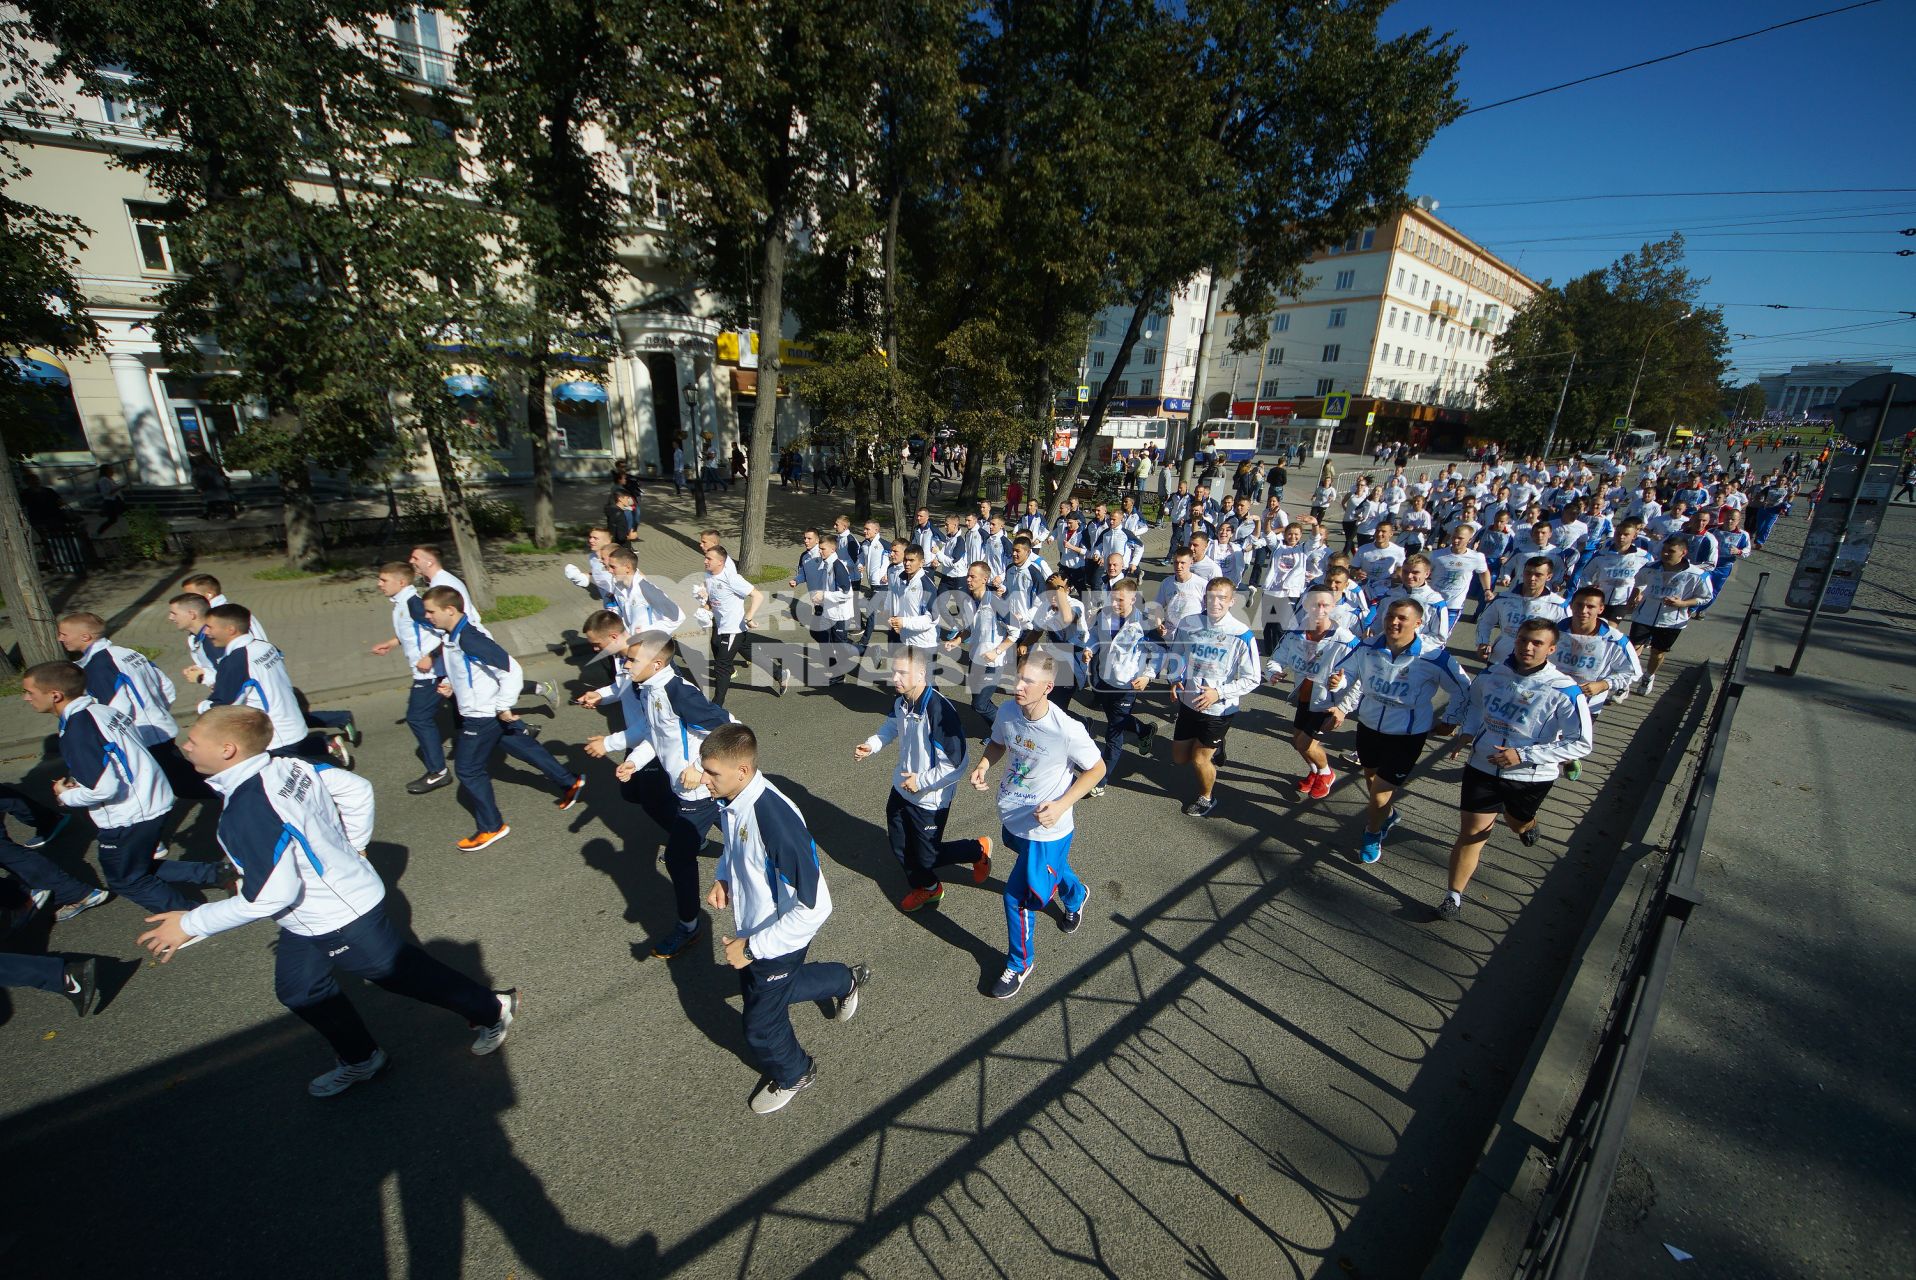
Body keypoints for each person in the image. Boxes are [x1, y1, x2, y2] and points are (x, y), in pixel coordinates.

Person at [137, 707, 519, 1096]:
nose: (185, 746)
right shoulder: (287, 764)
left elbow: (271, 895)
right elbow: (356, 789)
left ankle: (492, 1009)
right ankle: (362, 1059)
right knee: (300, 990)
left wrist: (189, 924)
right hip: (309, 914)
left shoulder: (246, 811)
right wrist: (353, 847)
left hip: (338, 914)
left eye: (194, 741)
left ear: (228, 750)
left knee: (400, 974)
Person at [700, 722, 869, 1115]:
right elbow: (736, 848)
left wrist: (752, 946)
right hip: (756, 929)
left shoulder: (776, 822)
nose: (704, 780)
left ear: (741, 771)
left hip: (776, 939)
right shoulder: (735, 799)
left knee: (760, 1024)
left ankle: (796, 1073)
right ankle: (845, 979)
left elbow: (816, 907)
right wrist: (724, 876)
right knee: (773, 990)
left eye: (712, 773)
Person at [22, 661, 221, 915]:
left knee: (125, 878)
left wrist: (67, 795)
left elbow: (104, 789)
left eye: (30, 692)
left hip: (128, 817)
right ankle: (217, 873)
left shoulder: (78, 731)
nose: (26, 698)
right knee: (137, 865)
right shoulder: (101, 711)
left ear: (55, 695)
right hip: (151, 800)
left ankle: (190, 919)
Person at [967, 653, 1104, 1000]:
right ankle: (1075, 893)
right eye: (1018, 678)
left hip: (1047, 828)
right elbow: (999, 742)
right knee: (1044, 866)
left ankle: (1020, 962)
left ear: (1048, 687)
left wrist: (1061, 805)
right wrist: (984, 765)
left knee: (1018, 897)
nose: (1018, 686)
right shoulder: (1007, 712)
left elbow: (1097, 769)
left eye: (1028, 681)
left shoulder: (1067, 730)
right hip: (1012, 815)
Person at [590, 633, 735, 958]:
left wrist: (700, 767)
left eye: (631, 660)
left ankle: (688, 927)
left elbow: (726, 727)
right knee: (741, 835)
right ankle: (766, 865)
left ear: (656, 663)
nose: (625, 665)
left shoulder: (677, 692)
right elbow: (653, 733)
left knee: (677, 857)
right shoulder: (649, 690)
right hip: (693, 789)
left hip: (699, 792)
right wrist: (629, 759)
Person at [1437, 620, 1593, 919]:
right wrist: (1467, 733)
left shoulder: (1563, 690)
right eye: (1523, 640)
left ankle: (1527, 825)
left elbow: (1581, 743)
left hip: (1529, 776)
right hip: (1482, 766)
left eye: (1536, 643)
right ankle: (1453, 896)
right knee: (1472, 833)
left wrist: (1522, 755)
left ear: (1551, 649)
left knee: (1515, 820)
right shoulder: (1493, 674)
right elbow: (1475, 704)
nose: (1527, 647)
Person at [423, 586, 583, 850]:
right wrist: (453, 686)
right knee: (524, 747)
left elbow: (511, 670)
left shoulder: (469, 638)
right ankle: (570, 781)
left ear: (449, 610)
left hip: (481, 716)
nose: (427, 616)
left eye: (431, 611)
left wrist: (504, 704)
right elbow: (472, 672)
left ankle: (491, 826)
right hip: (486, 712)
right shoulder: (454, 635)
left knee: (468, 770)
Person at [1333, 598, 1472, 864]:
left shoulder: (1433, 656)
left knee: (1381, 792)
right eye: (1390, 617)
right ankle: (1388, 815)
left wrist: (1451, 720)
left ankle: (1372, 832)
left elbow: (1463, 688)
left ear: (1418, 623)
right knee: (1372, 780)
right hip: (1369, 726)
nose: (1393, 622)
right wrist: (1339, 685)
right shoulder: (1368, 646)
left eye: (1402, 619)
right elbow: (1349, 673)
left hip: (1408, 735)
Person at [854, 645, 992, 911]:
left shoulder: (940, 711)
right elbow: (892, 725)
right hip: (901, 789)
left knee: (927, 856)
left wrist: (922, 781)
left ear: (921, 674)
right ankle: (928, 887)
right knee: (899, 845)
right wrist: (872, 745)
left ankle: (976, 850)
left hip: (930, 798)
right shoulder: (902, 701)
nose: (895, 679)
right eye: (894, 672)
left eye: (902, 673)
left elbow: (957, 764)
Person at [56, 611, 207, 799]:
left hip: (144, 736)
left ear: (85, 636)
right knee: (181, 778)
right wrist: (158, 712)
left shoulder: (99, 666)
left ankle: (238, 799)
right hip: (160, 726)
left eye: (64, 634)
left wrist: (119, 737)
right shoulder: (127, 652)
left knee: (183, 785)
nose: (60, 638)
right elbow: (165, 686)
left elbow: (116, 708)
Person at [1162, 577, 1260, 818]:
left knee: (1198, 760)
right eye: (1211, 596)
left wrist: (1219, 693)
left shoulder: (1241, 634)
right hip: (1189, 702)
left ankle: (1207, 798)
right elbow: (1176, 654)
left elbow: (1253, 678)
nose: (1215, 602)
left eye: (1222, 598)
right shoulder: (1188, 623)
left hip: (1218, 710)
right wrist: (1174, 680)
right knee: (1179, 757)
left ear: (1231, 601)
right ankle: (1218, 745)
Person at [369, 562, 457, 794]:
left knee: (418, 718)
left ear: (402, 582)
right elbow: (412, 632)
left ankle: (438, 772)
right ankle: (518, 729)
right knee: (472, 708)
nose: (379, 585)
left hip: (431, 674)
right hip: (432, 672)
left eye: (383, 580)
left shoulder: (413, 605)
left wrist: (431, 656)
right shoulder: (401, 603)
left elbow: (448, 630)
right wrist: (391, 643)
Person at [1270, 590, 1359, 800]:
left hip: (1328, 703)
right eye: (1314, 605)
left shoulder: (1346, 640)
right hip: (1304, 697)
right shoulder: (1295, 634)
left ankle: (1326, 774)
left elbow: (1361, 677)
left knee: (1305, 744)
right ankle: (1316, 771)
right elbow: (1276, 658)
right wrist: (1273, 672)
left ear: (1332, 608)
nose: (1320, 610)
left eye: (1325, 606)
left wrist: (1343, 707)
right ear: (1306, 607)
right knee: (1297, 740)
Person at [1086, 578, 1160, 796]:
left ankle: (1101, 779)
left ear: (1133, 599)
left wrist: (1147, 676)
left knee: (1113, 733)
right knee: (1116, 719)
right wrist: (1089, 649)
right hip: (1104, 679)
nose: (1115, 604)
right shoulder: (1104, 615)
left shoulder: (1144, 623)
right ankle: (1145, 730)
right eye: (1112, 599)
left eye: (1120, 600)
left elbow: (1159, 652)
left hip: (1128, 684)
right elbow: (1092, 635)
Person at [698, 543, 785, 704]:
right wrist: (704, 608)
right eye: (705, 557)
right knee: (748, 652)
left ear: (720, 562)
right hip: (722, 625)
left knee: (722, 667)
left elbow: (758, 596)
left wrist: (749, 617)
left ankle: (716, 706)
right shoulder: (709, 575)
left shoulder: (732, 578)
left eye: (709, 558)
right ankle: (779, 673)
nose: (705, 561)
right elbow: (715, 599)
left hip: (732, 629)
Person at [1627, 537, 1715, 697]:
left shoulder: (1697, 574)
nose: (1666, 554)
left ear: (1683, 552)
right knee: (1633, 648)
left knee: (1657, 653)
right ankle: (1626, 680)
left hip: (1671, 621)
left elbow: (1706, 597)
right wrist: (1636, 594)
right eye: (1664, 550)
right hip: (1645, 615)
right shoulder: (1650, 567)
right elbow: (1638, 581)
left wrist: (1683, 603)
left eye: (1671, 551)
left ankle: (1648, 676)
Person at [1475, 557, 1568, 665]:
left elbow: (1567, 636)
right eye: (1528, 573)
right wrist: (1482, 642)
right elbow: (1485, 621)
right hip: (1500, 658)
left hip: (1535, 664)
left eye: (1538, 575)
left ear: (1549, 577)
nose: (1532, 578)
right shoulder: (1503, 598)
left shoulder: (1559, 605)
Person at [93, 462, 126, 534]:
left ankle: (98, 533)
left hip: (115, 500)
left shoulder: (109, 479)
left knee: (123, 516)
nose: (112, 471)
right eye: (110, 469)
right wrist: (120, 487)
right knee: (113, 519)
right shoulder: (104, 480)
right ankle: (98, 533)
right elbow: (107, 492)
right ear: (106, 471)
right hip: (111, 501)